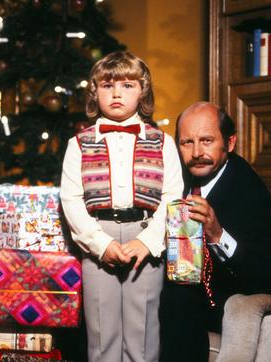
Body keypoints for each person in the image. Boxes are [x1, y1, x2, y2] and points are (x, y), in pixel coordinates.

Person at [60, 51, 183, 362]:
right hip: (98, 239)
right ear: (94, 92)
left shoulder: (162, 142)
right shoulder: (78, 144)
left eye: (128, 85)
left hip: (146, 237)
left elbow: (172, 195)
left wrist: (148, 241)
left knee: (142, 332)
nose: (116, 93)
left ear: (142, 91)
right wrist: (100, 244)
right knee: (102, 334)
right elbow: (71, 200)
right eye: (107, 85)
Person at [159, 102, 271, 362]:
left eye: (206, 140)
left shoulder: (250, 191)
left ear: (230, 143)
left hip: (222, 297)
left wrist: (218, 235)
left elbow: (266, 277)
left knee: (179, 295)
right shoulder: (174, 176)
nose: (196, 152)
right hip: (169, 283)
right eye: (187, 142)